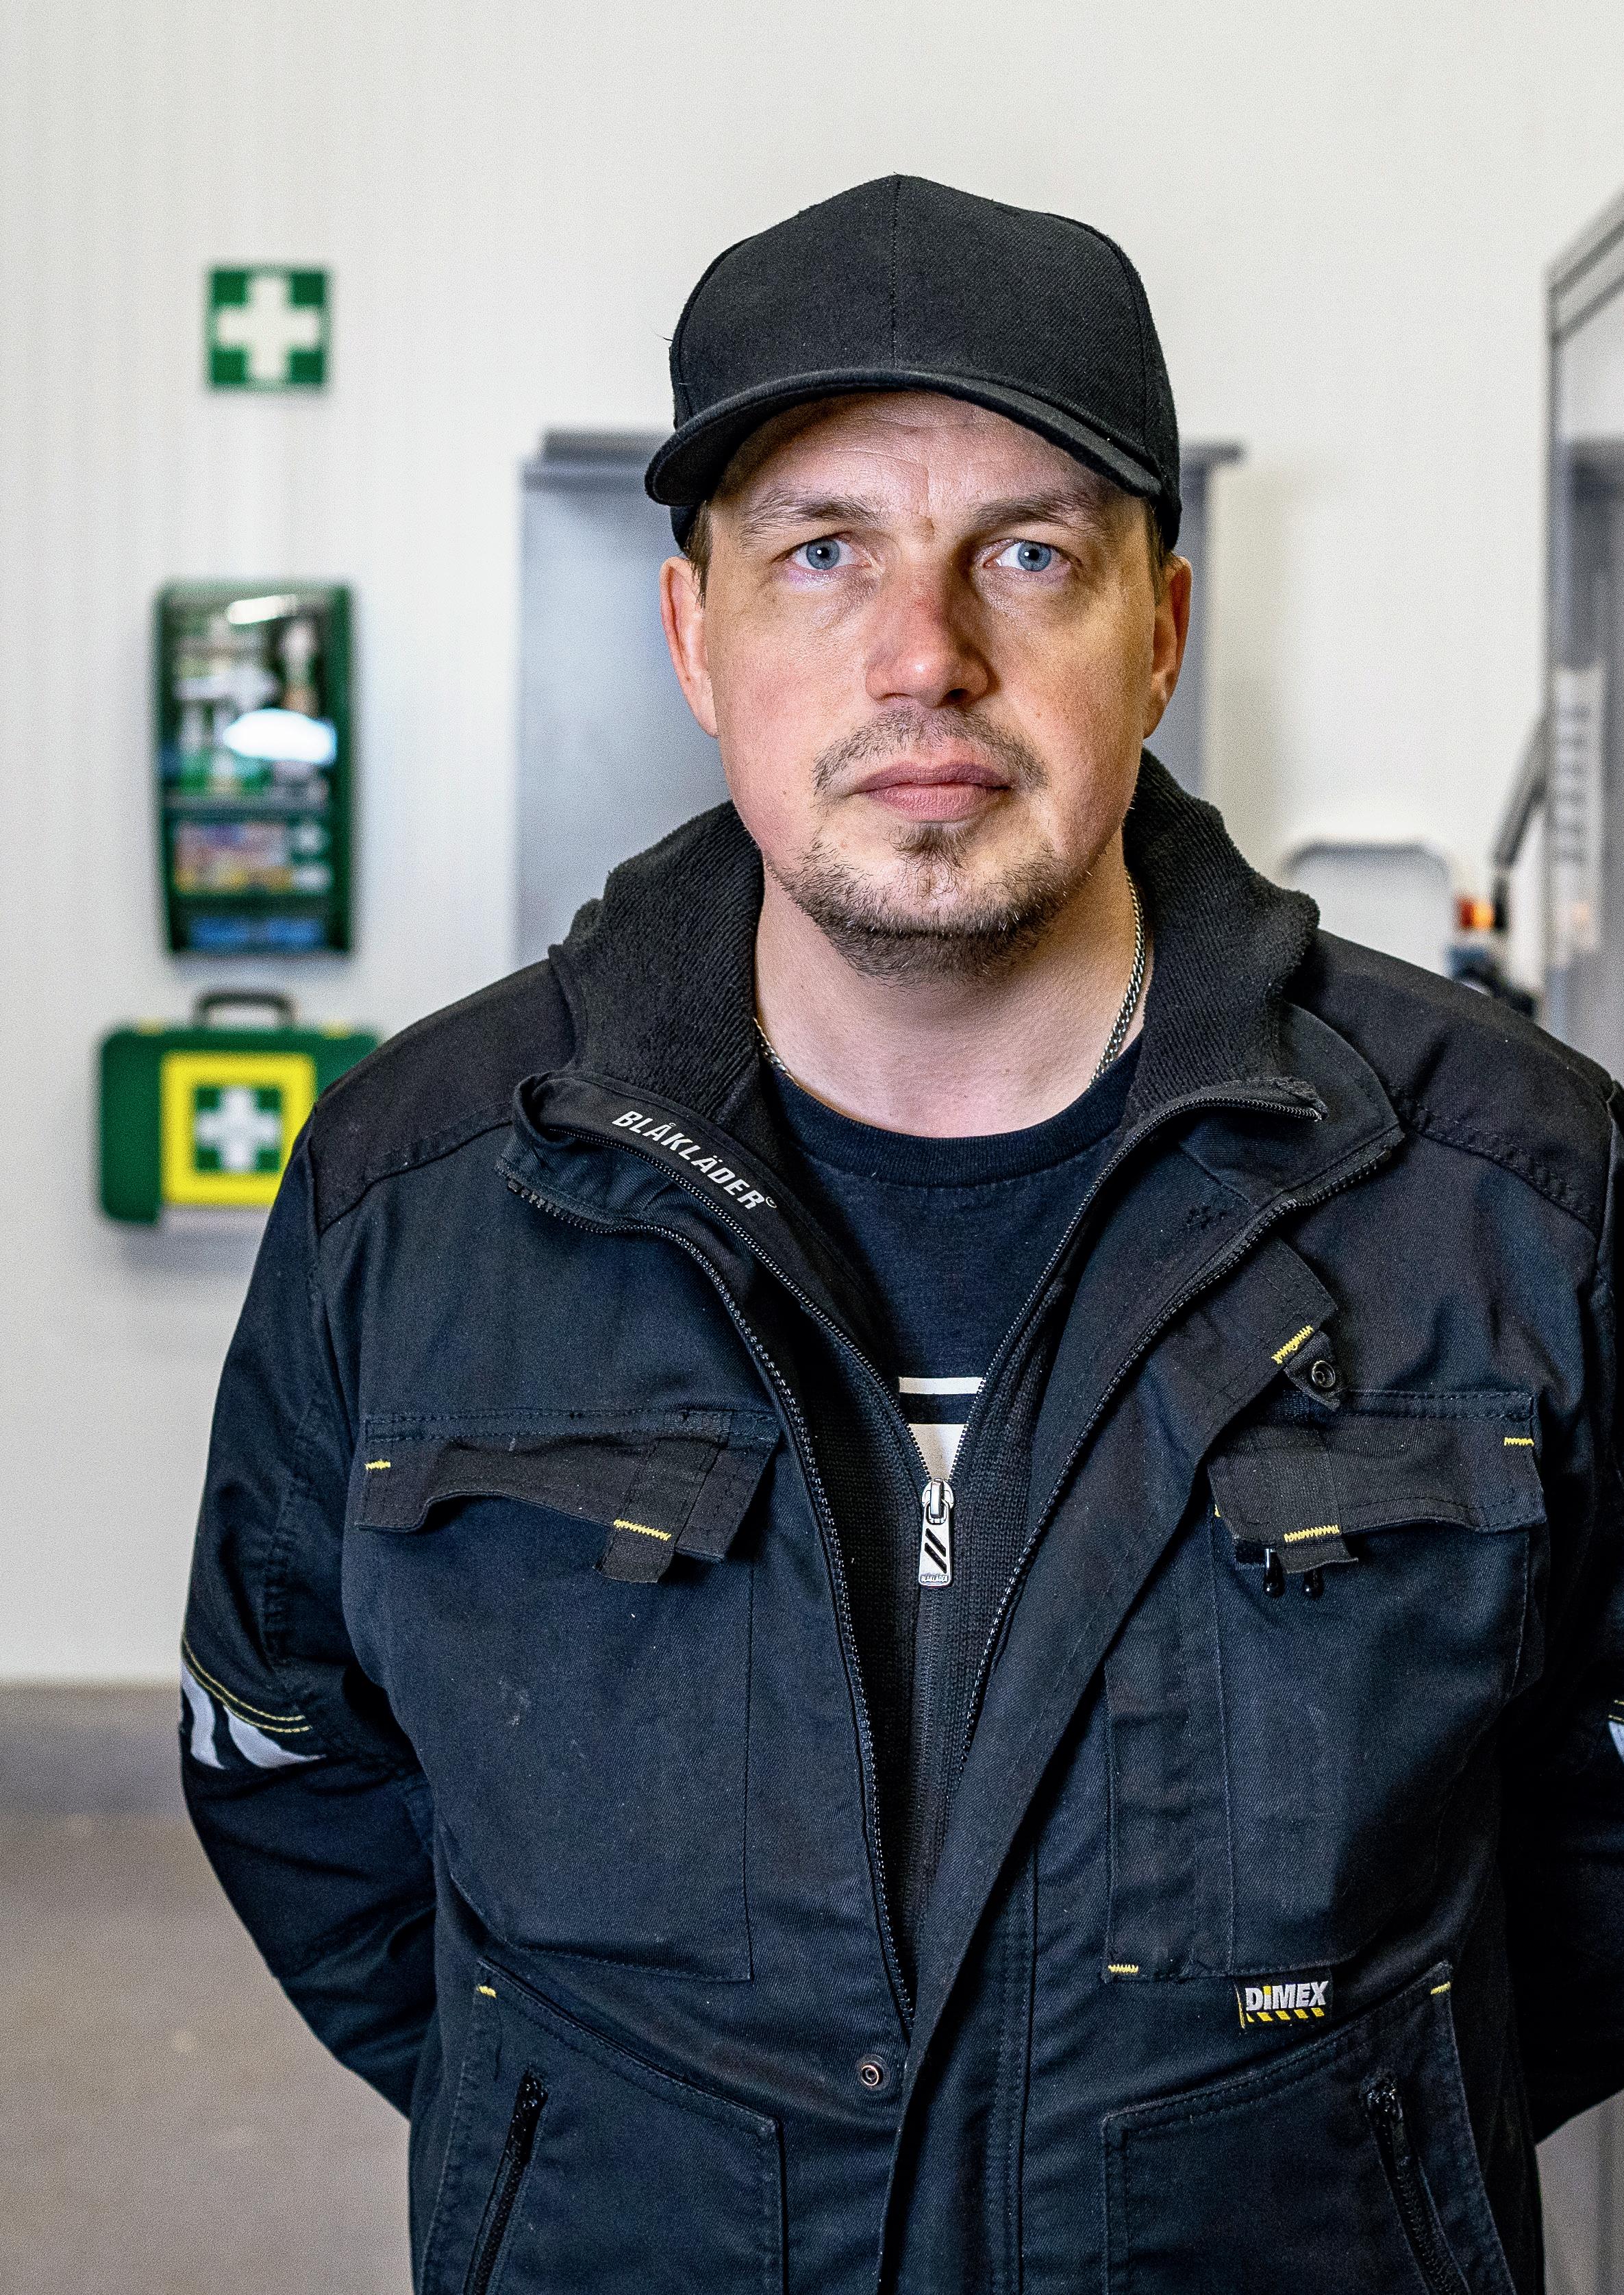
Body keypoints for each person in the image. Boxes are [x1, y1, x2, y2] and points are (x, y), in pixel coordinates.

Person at [181, 177, 1624, 2294]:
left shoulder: (1508, 1192)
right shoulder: (418, 1194)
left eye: (1026, 554)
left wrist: (1357, 2135)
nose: (924, 656)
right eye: (820, 552)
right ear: (694, 638)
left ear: (1158, 631)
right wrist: (587, 2125)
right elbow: (295, 1770)